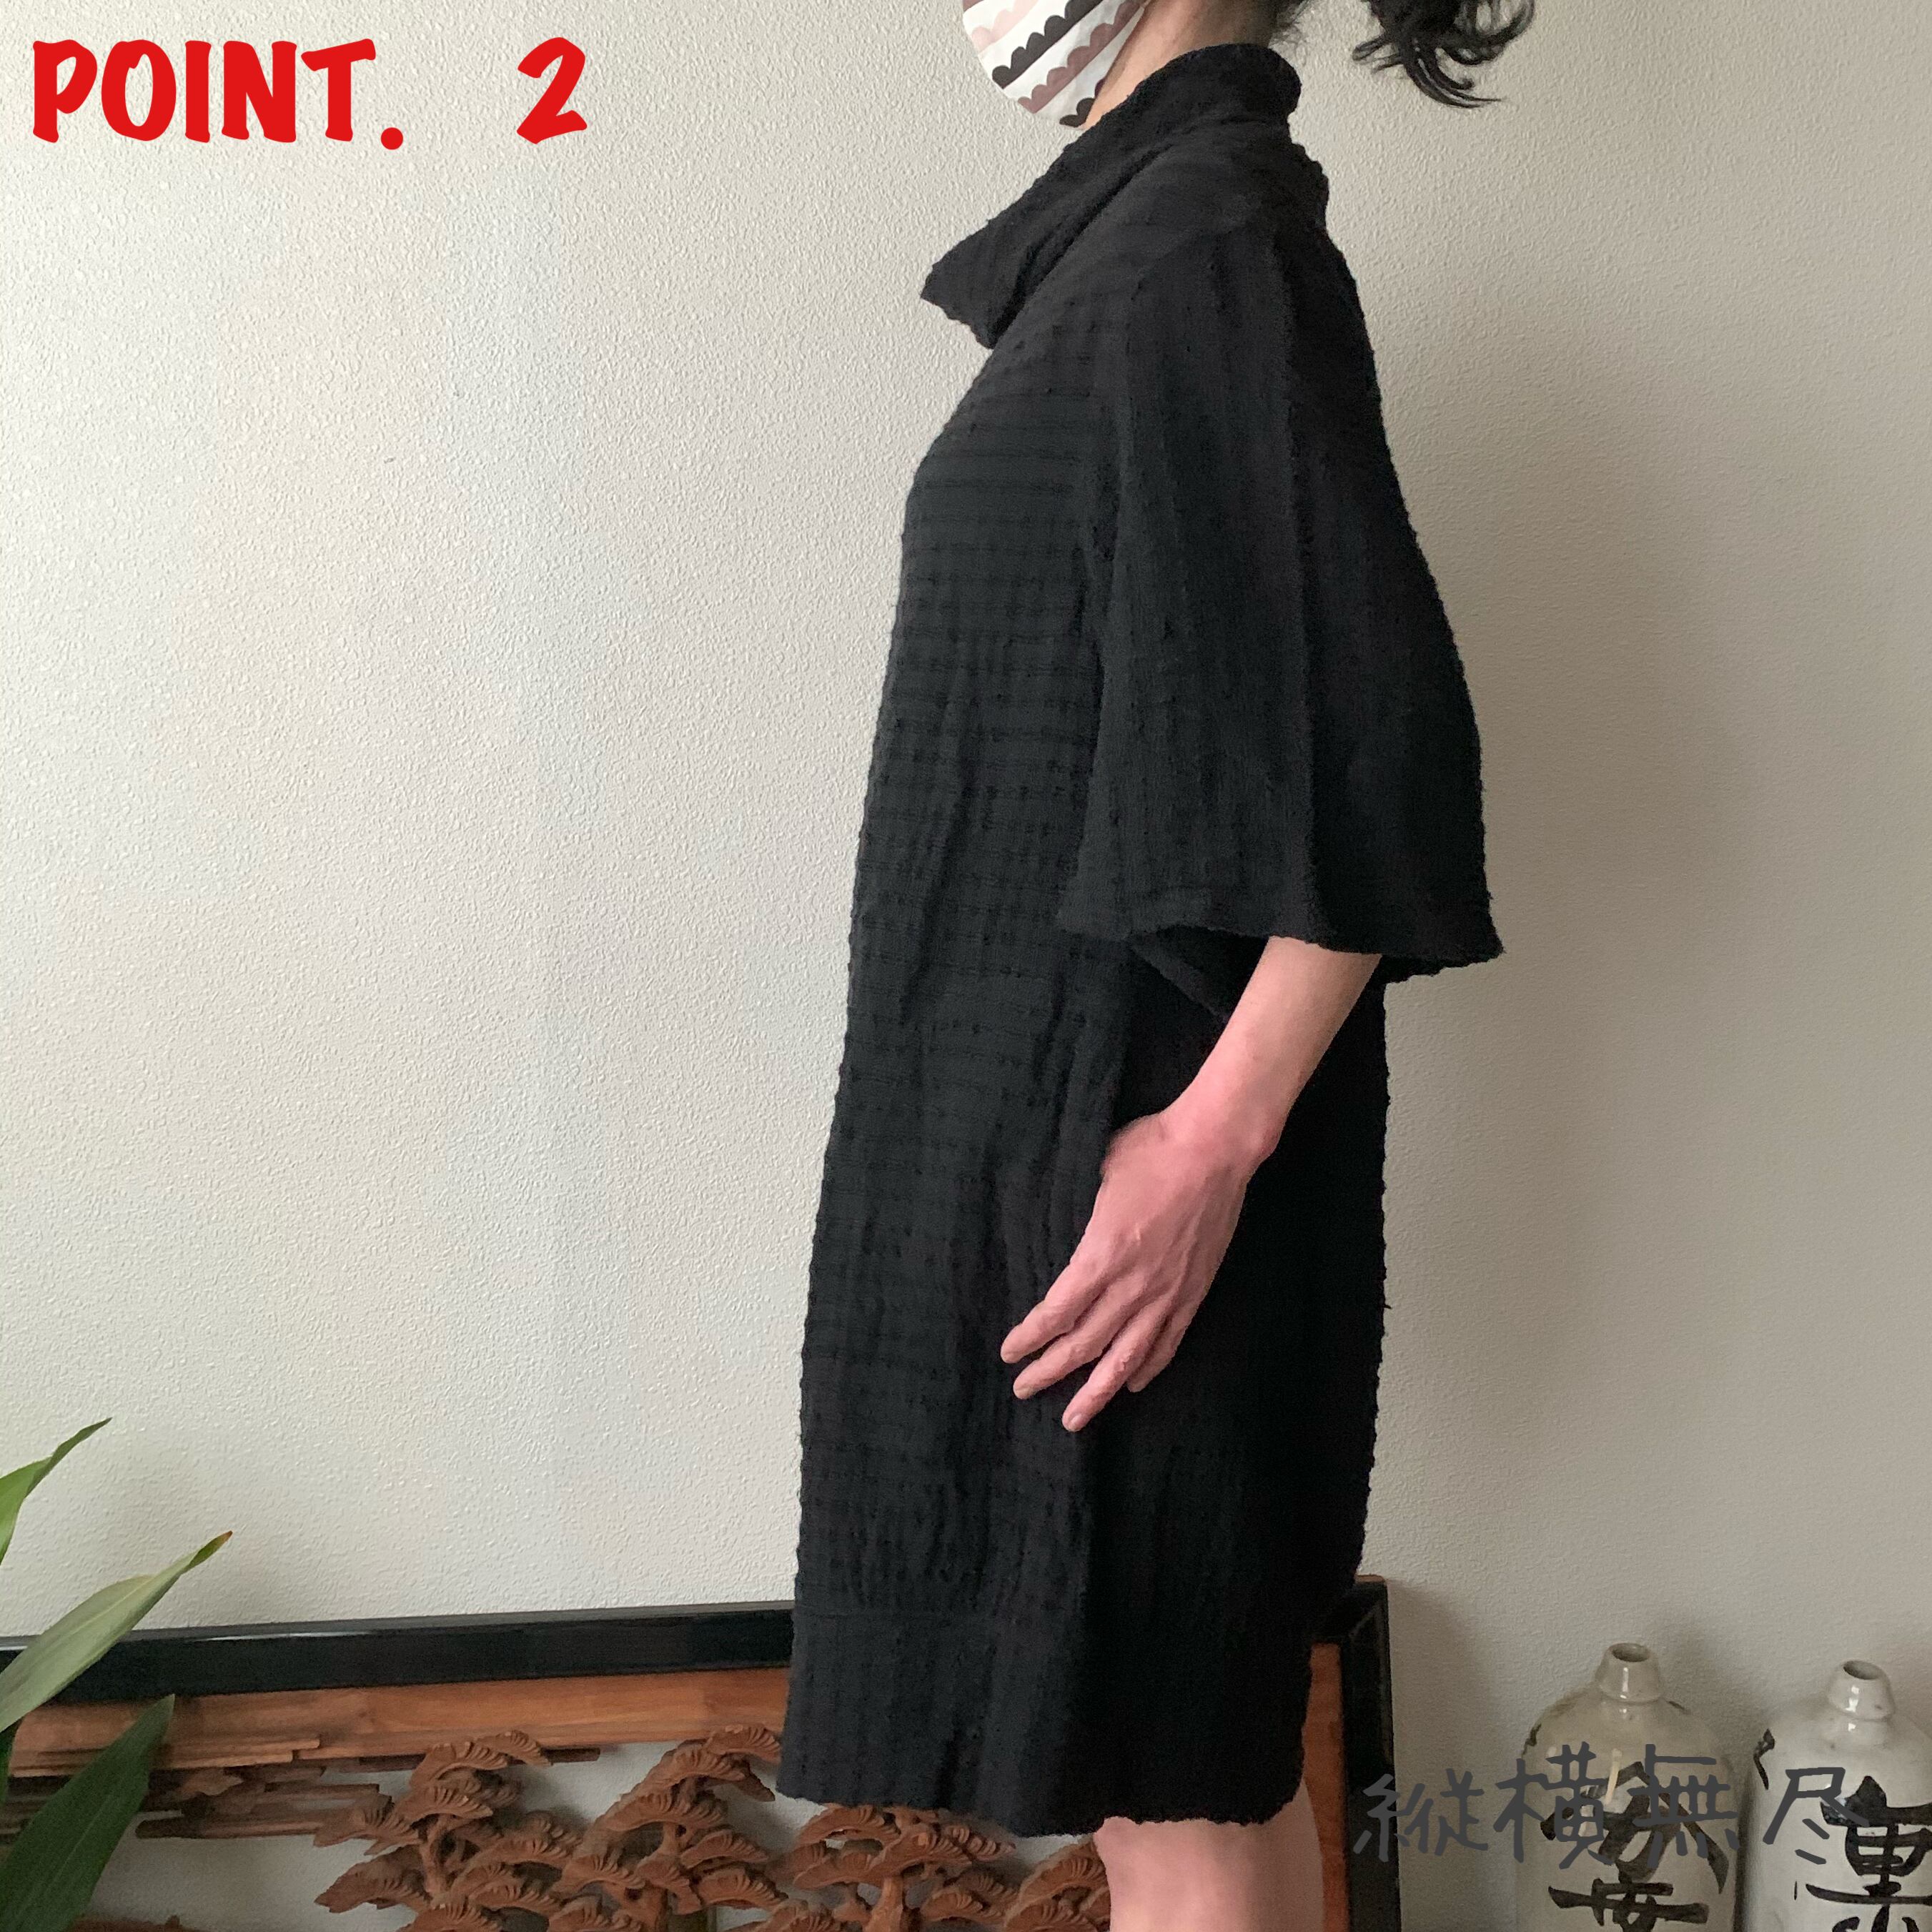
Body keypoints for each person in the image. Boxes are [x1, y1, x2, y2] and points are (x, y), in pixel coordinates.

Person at [776, 0, 1528, 1925]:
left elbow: (1369, 754)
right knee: (1161, 1795)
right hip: (1066, 1177)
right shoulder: (1132, 250)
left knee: (1182, 1799)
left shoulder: (1211, 242)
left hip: (1139, 1199)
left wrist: (1210, 1144)